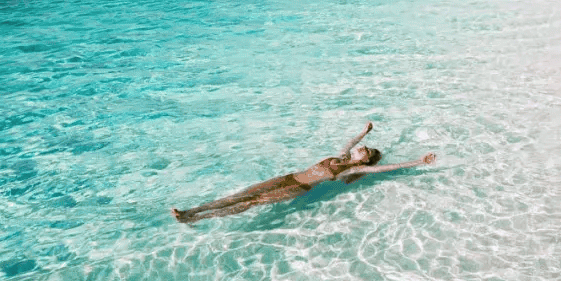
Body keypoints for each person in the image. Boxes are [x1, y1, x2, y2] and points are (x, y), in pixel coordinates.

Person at [171, 122, 436, 223]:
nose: (362, 148)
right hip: (288, 177)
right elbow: (349, 143)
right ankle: (191, 211)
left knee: (249, 203)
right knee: (242, 194)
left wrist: (418, 161)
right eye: (364, 147)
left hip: (296, 188)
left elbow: (387, 167)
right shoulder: (342, 156)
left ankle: (198, 219)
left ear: (364, 161)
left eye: (366, 150)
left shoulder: (353, 168)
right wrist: (364, 132)